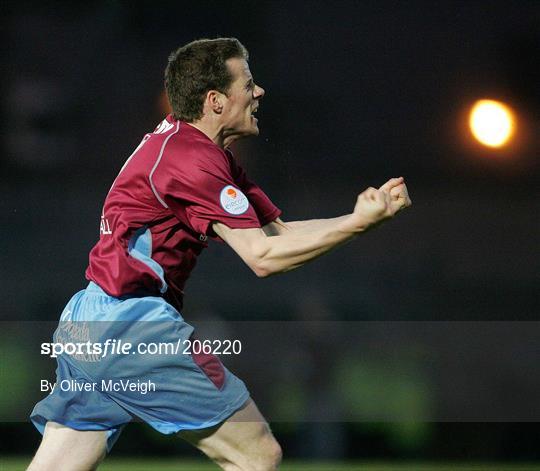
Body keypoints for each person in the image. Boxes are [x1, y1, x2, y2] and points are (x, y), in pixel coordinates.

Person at [28, 37, 411, 471]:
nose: (259, 92)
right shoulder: (193, 160)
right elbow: (263, 257)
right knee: (256, 455)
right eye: (247, 83)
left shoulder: (193, 149)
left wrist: (360, 217)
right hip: (133, 327)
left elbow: (277, 232)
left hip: (89, 320)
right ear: (215, 101)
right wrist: (358, 225)